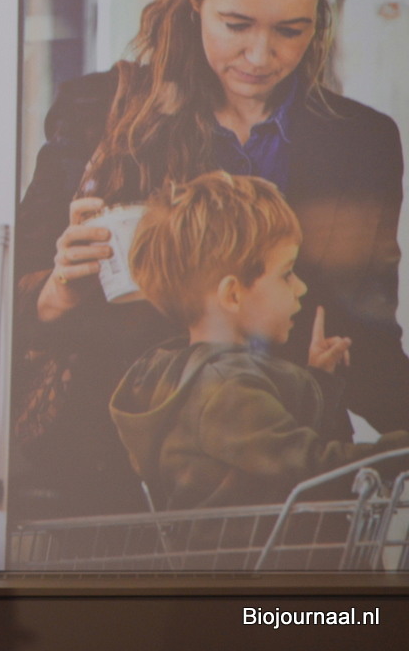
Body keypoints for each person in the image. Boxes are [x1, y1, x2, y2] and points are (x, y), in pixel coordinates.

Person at [12, 0, 409, 521]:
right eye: (236, 25)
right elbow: (8, 310)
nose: (261, 55)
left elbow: (366, 337)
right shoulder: (102, 115)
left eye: (292, 29)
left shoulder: (361, 142)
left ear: (322, 16)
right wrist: (59, 288)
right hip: (114, 491)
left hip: (287, 498)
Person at [110, 172, 409, 510]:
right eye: (287, 274)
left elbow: (276, 450)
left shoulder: (198, 377)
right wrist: (400, 451)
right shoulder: (225, 388)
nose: (301, 288)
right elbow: (310, 469)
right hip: (258, 545)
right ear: (233, 294)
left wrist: (319, 380)